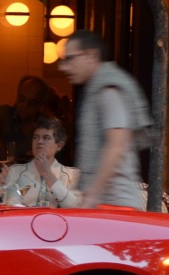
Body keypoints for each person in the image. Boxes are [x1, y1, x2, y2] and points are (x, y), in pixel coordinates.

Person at [58, 30, 151, 209]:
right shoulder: (98, 86)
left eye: (70, 59)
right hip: (107, 202)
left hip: (115, 203)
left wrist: (91, 197)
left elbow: (116, 145)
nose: (64, 67)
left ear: (91, 55)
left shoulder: (108, 88)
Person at [0, 115, 81, 207]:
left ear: (59, 145)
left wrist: (48, 174)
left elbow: (74, 206)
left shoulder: (72, 174)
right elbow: (12, 203)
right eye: (36, 137)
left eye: (46, 138)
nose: (39, 142)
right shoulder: (16, 171)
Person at [0, 76, 54, 162]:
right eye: (22, 99)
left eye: (32, 103)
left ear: (41, 106)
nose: (25, 105)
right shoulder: (3, 114)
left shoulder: (48, 127)